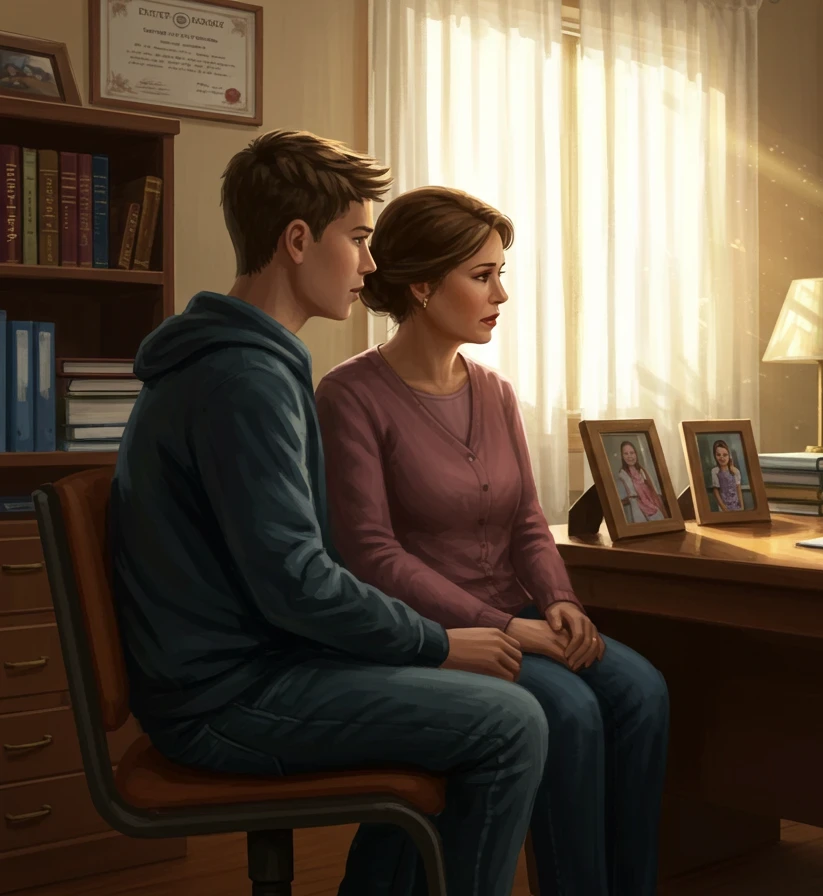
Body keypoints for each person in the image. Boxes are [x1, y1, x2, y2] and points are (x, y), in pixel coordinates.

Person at [110, 131, 548, 896]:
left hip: (237, 672)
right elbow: (298, 581)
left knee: (478, 701)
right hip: (227, 698)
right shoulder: (243, 379)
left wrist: (424, 645)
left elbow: (296, 573)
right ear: (298, 240)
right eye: (358, 239)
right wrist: (438, 643)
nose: (371, 266)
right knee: (510, 722)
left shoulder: (246, 361)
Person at [314, 185, 670, 896]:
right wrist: (510, 627)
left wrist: (559, 602)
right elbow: (372, 557)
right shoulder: (348, 395)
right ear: (420, 284)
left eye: (500, 273)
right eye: (482, 276)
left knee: (641, 692)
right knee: (568, 711)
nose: (500, 293)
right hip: (432, 635)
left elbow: (527, 523)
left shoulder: (498, 392)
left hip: (519, 616)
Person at [616, 440, 669, 521]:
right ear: (622, 456)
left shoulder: (643, 471)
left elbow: (654, 491)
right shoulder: (622, 476)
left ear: (636, 454)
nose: (629, 456)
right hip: (640, 511)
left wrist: (655, 507)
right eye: (626, 454)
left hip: (654, 508)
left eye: (632, 453)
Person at [710, 438, 744, 511]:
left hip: (736, 506)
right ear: (715, 456)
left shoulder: (735, 471)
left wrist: (742, 507)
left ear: (729, 455)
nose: (722, 458)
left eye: (725, 455)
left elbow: (738, 489)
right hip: (724, 508)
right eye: (718, 455)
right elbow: (716, 491)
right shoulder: (715, 471)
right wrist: (724, 508)